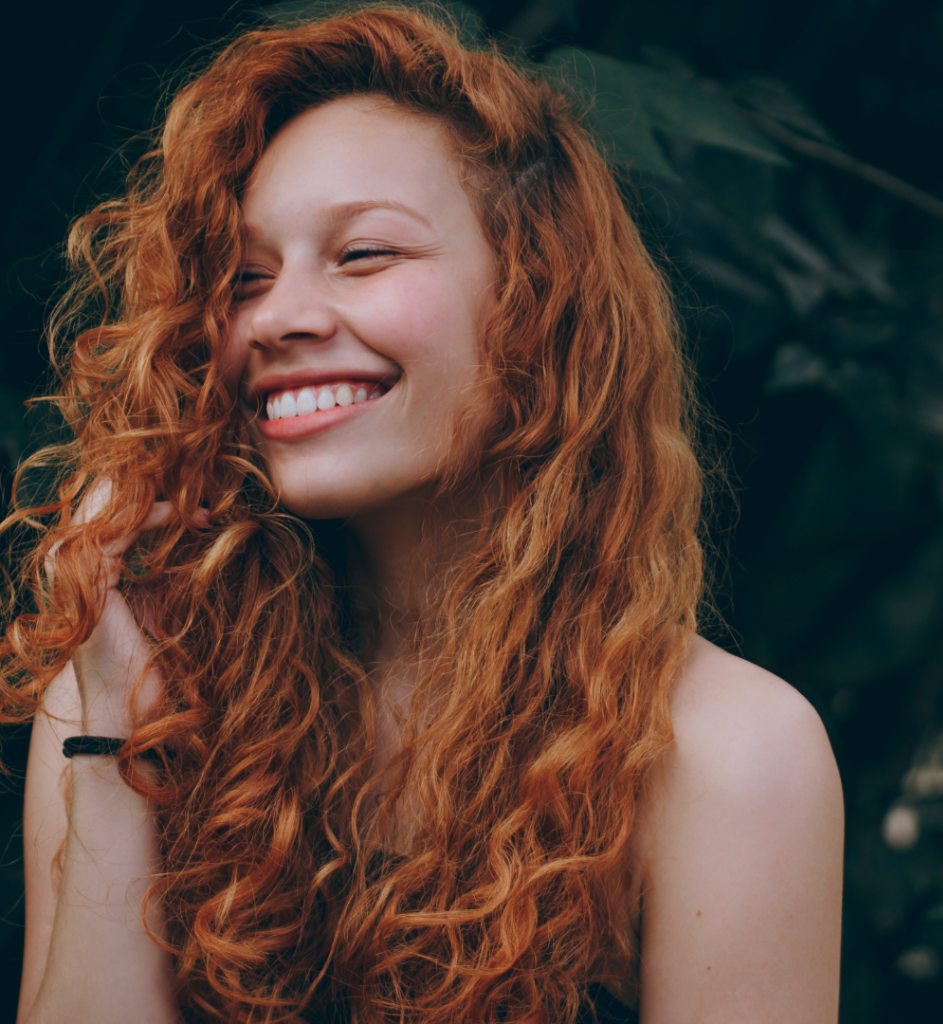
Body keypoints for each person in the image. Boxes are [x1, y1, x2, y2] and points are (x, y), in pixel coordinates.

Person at [3, 7, 844, 1023]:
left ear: (539, 305)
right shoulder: (124, 699)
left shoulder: (726, 753)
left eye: (362, 255)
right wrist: (108, 740)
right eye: (247, 277)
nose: (278, 316)